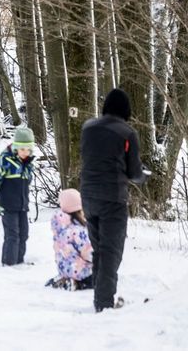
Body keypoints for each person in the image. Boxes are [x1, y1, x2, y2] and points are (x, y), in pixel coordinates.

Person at [80, 88, 147, 312]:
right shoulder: (127, 133)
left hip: (88, 198)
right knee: (111, 251)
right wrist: (143, 175)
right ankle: (104, 304)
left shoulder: (87, 128)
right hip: (113, 199)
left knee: (100, 249)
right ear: (126, 110)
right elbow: (134, 172)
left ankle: (100, 299)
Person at [0, 126, 35, 266]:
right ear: (16, 147)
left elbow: (27, 182)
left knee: (23, 234)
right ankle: (9, 263)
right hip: (8, 205)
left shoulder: (28, 164)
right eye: (22, 149)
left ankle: (19, 261)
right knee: (12, 235)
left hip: (23, 205)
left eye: (28, 149)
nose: (25, 152)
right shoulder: (5, 161)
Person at [46, 188, 94, 292]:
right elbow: (87, 252)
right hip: (81, 271)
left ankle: (65, 279)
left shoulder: (60, 229)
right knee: (97, 279)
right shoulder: (78, 231)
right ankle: (77, 283)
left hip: (64, 268)